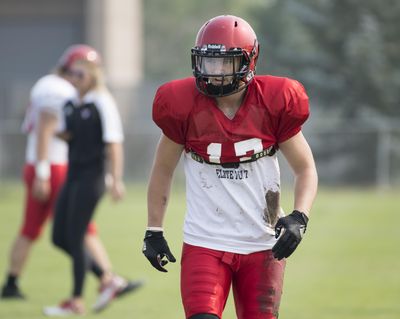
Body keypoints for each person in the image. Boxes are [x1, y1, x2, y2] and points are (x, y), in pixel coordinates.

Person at [142, 15, 318, 319]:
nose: (216, 73)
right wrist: (153, 230)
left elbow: (305, 168)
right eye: (209, 62)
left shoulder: (274, 102)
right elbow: (162, 169)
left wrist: (299, 216)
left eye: (225, 63)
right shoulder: (182, 106)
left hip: (263, 243)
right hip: (205, 242)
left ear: (249, 61)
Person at [1, 45, 114, 301]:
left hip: (42, 164)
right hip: (51, 167)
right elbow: (44, 129)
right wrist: (43, 172)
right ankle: (107, 280)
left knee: (32, 229)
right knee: (81, 229)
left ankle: (11, 283)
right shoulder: (58, 89)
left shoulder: (48, 84)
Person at [43, 45, 142, 316]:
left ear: (91, 74)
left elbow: (113, 143)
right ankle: (109, 280)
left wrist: (117, 179)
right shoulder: (71, 104)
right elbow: (71, 135)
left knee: (75, 237)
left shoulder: (102, 101)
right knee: (59, 237)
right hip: (73, 174)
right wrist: (49, 130)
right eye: (70, 72)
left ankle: (75, 301)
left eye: (79, 73)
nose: (73, 77)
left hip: (92, 177)